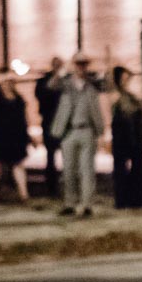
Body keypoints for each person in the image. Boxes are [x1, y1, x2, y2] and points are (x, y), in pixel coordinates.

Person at [48, 51, 104, 217]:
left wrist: (107, 63)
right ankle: (70, 203)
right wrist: (60, 71)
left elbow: (108, 85)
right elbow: (51, 85)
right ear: (74, 66)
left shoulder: (92, 84)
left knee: (87, 170)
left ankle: (87, 204)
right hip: (69, 131)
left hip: (87, 129)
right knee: (69, 170)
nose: (81, 67)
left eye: (84, 64)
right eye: (78, 64)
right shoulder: (66, 84)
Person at [0, 71, 32, 201]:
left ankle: (24, 194)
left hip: (16, 136)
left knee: (18, 165)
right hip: (0, 136)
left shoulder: (19, 100)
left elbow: (23, 120)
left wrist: (27, 136)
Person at [110, 65, 142, 210]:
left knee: (137, 167)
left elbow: (138, 114)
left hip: (134, 136)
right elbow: (121, 111)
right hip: (122, 136)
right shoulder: (116, 95)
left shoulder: (130, 96)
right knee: (120, 168)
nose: (127, 81)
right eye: (124, 78)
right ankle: (122, 199)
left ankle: (136, 198)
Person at [34, 57, 65, 198]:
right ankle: (52, 187)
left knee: (67, 156)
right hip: (49, 122)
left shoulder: (66, 81)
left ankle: (67, 185)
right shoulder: (43, 81)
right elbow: (42, 94)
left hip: (65, 122)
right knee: (50, 155)